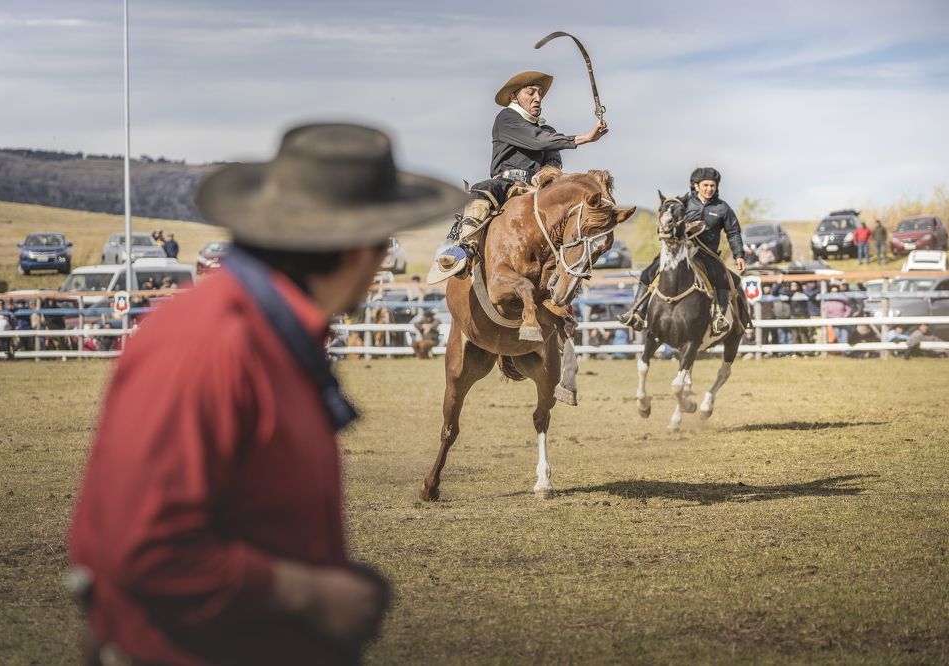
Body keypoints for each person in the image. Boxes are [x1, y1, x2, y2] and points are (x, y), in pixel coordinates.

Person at [67, 123, 464, 665]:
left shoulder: (271, 334)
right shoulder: (206, 343)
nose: (380, 269)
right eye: (382, 245)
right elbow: (145, 549)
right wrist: (311, 593)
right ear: (351, 249)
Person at [427, 70, 608, 283]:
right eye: (531, 92)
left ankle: (568, 268)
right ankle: (465, 249)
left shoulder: (547, 129)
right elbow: (537, 141)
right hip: (505, 183)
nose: (537, 98)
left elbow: (553, 158)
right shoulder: (506, 118)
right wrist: (584, 138)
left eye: (540, 93)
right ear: (514, 97)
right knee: (482, 189)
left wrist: (549, 171)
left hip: (537, 187)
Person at [620, 167, 747, 335]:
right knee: (647, 274)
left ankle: (719, 318)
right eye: (706, 185)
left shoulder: (722, 208)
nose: (709, 189)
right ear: (695, 186)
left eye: (712, 185)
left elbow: (733, 232)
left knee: (725, 279)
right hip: (680, 252)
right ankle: (638, 313)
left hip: (707, 255)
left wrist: (739, 255)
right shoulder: (684, 205)